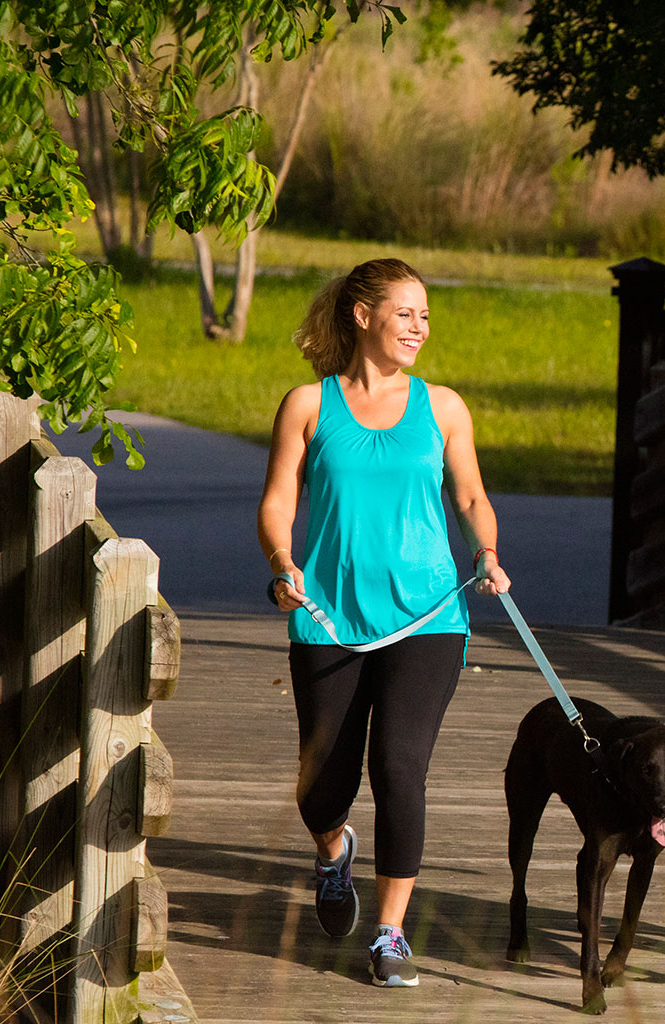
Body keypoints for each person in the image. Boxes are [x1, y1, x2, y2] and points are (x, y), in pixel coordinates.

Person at [257, 258, 510, 987]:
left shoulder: (444, 408)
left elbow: (470, 497)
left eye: (425, 315)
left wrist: (486, 552)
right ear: (363, 315)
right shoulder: (308, 405)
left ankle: (391, 933)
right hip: (328, 618)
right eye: (405, 313)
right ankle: (334, 854)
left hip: (428, 616)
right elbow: (278, 501)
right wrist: (283, 562)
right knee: (322, 788)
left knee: (399, 767)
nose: (419, 327)